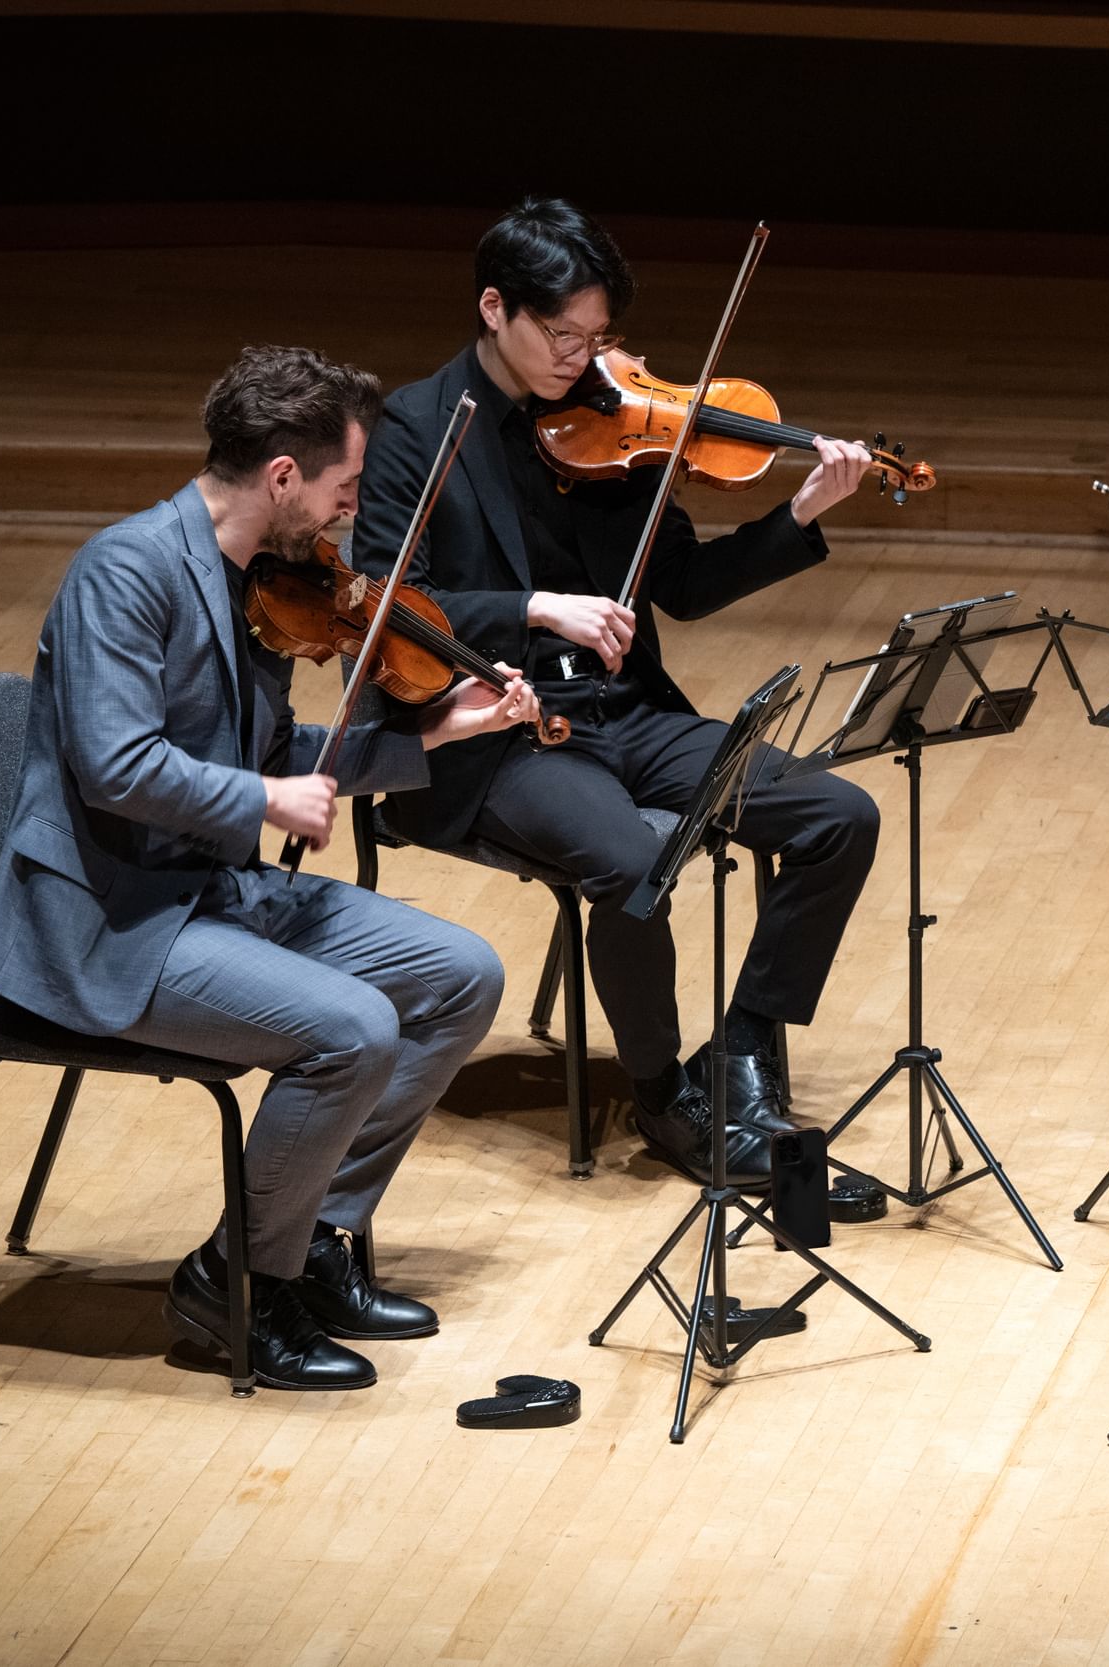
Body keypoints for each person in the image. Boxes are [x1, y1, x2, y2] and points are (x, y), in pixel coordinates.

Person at [0, 345, 539, 1391]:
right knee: (351, 1028)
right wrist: (263, 802)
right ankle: (238, 1281)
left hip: (212, 890)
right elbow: (113, 764)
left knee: (461, 973)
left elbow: (275, 756)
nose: (346, 518)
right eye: (342, 490)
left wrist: (437, 735)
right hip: (110, 921)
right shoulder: (126, 572)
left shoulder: (263, 584)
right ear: (282, 478)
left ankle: (303, 1239)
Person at [353, 197, 880, 1189]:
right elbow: (390, 604)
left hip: (621, 711)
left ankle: (745, 1048)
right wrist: (538, 607)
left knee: (835, 815)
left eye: (599, 337)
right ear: (493, 308)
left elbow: (677, 584)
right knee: (634, 858)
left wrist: (799, 514)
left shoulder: (612, 418)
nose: (582, 359)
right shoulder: (416, 428)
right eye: (562, 335)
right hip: (487, 732)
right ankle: (662, 1094)